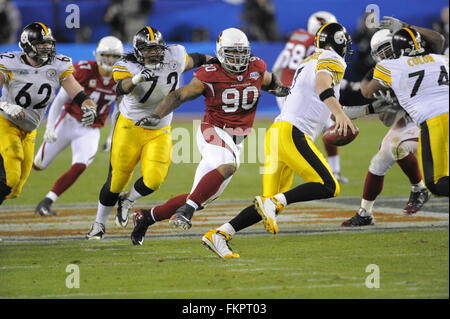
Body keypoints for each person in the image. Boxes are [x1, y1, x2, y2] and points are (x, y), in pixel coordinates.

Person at [199, 22, 359, 258]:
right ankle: (270, 206)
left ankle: (219, 234)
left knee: (269, 203)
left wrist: (360, 109)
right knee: (329, 185)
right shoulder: (333, 60)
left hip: (277, 133)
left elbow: (322, 96)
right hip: (293, 133)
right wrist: (339, 114)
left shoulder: (310, 60)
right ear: (340, 43)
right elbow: (322, 84)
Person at [129, 27, 290, 246]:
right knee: (228, 166)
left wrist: (280, 88)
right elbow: (179, 95)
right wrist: (157, 115)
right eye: (233, 53)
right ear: (222, 52)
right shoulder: (210, 73)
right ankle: (186, 213)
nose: (239, 58)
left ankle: (147, 217)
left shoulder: (256, 66)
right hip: (213, 130)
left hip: (237, 139)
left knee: (201, 196)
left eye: (242, 53)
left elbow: (269, 80)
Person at [85, 26, 212, 240]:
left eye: (156, 49)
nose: (153, 53)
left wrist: (217, 62)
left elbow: (198, 59)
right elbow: (120, 88)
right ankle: (98, 224)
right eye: (147, 49)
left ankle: (128, 200)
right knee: (116, 182)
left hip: (159, 128)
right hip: (130, 127)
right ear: (137, 51)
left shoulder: (175, 55)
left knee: (154, 180)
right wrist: (136, 79)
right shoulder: (126, 64)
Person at [341, 25, 447, 226]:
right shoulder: (433, 59)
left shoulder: (393, 67)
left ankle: (419, 188)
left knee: (399, 149)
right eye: (383, 52)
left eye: (390, 49)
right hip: (420, 117)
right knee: (381, 158)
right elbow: (386, 117)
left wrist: (363, 111)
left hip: (430, 118)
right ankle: (365, 212)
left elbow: (368, 93)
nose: (388, 55)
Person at [0, 22, 97, 205]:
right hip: (6, 123)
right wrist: (4, 105)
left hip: (29, 130)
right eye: (40, 44)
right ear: (27, 45)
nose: (46, 47)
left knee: (14, 189)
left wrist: (89, 107)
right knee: (10, 176)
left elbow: (79, 93)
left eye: (48, 43)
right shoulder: (9, 63)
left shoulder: (58, 65)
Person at [33, 36, 124, 216]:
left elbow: (119, 110)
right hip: (68, 121)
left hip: (90, 130)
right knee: (38, 165)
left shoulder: (121, 77)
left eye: (114, 57)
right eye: (106, 56)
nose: (110, 61)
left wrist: (111, 136)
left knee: (81, 164)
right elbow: (60, 100)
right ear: (97, 55)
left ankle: (47, 201)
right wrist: (50, 126)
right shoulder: (84, 70)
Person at [361, 17, 448, 199]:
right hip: (436, 117)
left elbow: (367, 91)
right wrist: (405, 26)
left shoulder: (391, 66)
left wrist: (372, 75)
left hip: (435, 122)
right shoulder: (440, 58)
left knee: (435, 184)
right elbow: (439, 39)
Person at [272, 11, 349, 183]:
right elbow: (321, 73)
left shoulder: (297, 36)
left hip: (286, 87)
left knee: (289, 126)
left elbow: (278, 64)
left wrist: (276, 85)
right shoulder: (320, 45)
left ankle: (284, 166)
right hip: (302, 89)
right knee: (317, 125)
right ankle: (328, 170)